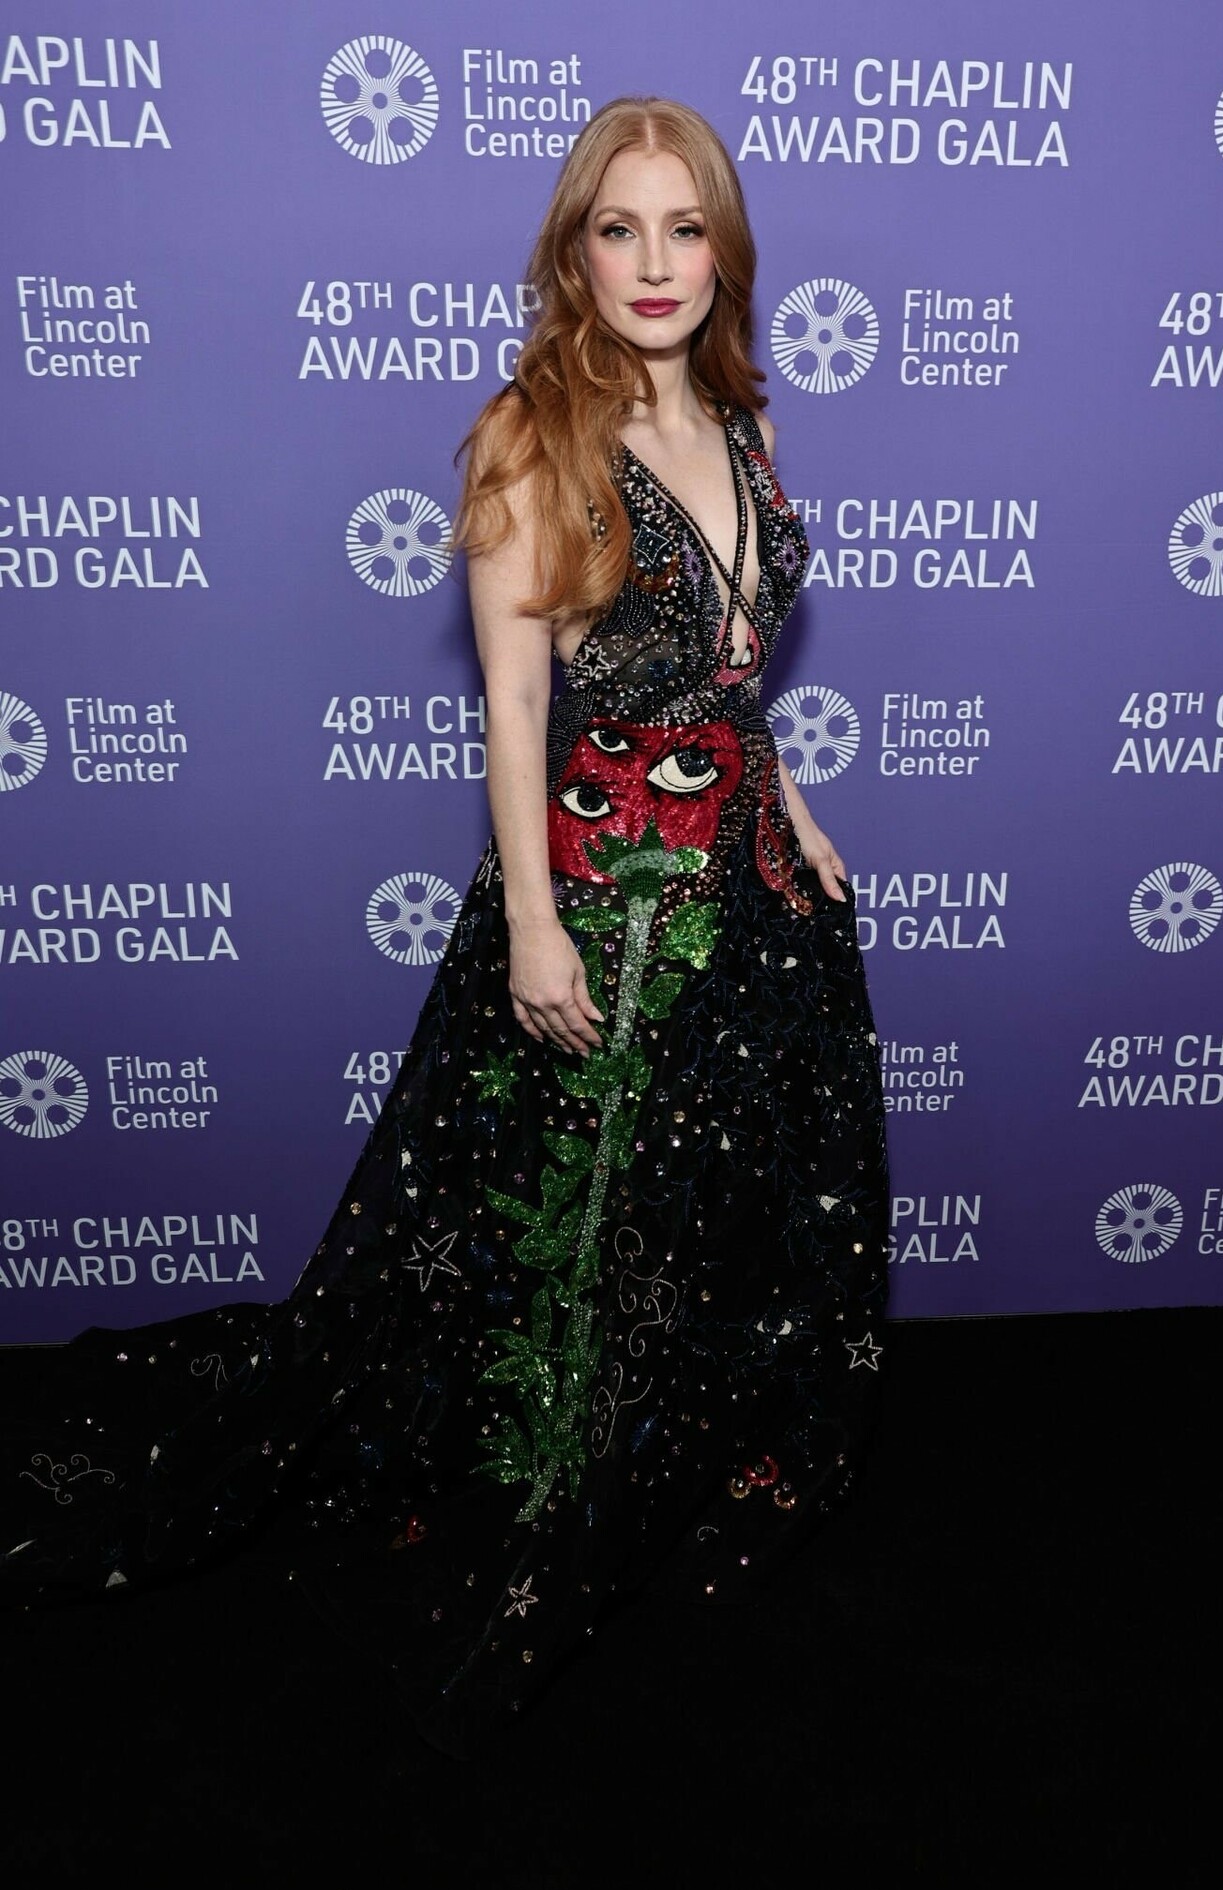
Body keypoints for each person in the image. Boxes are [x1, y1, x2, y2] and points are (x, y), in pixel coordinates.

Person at [0, 97, 889, 1755]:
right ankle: (554, 1480)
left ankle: (690, 1457)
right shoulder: (528, 435)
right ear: (572, 253)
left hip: (751, 892)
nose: (652, 262)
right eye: (616, 228)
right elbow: (517, 707)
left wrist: (798, 804)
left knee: (723, 1208)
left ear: (724, 249)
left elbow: (728, 670)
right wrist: (534, 927)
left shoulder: (736, 417)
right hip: (607, 901)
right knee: (574, 1216)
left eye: (683, 226)